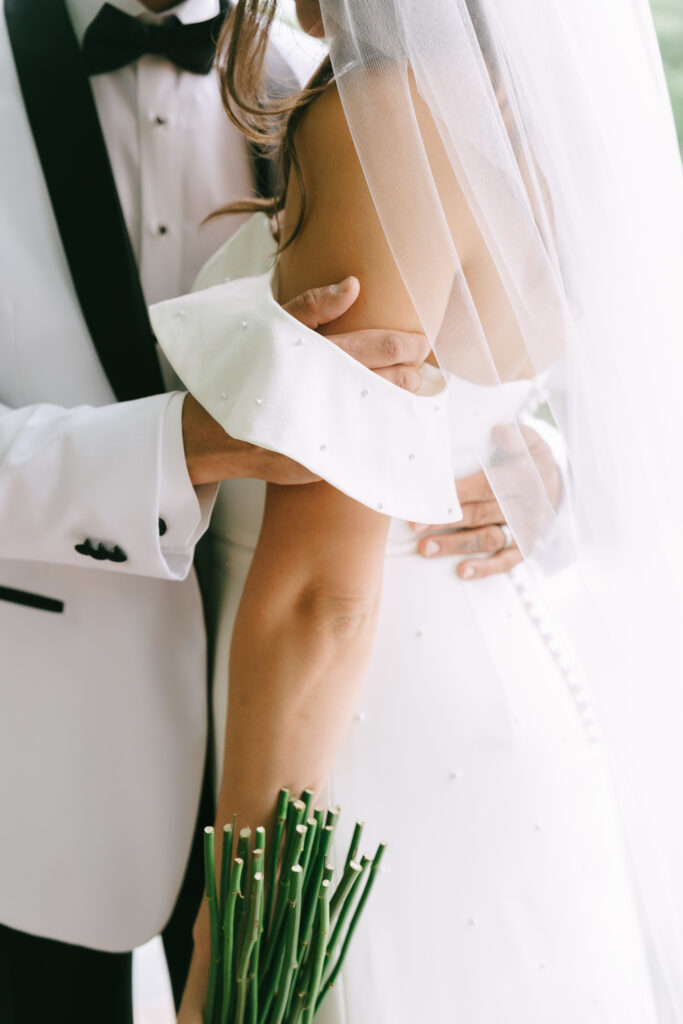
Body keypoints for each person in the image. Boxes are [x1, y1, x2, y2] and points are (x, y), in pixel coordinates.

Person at [153, 0, 683, 1021]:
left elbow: (322, 595)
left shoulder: (381, 113)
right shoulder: (506, 109)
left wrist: (241, 934)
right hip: (480, 663)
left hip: (372, 726)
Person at [0, 2, 439, 1021]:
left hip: (314, 767)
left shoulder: (335, 86)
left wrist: (528, 463)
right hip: (37, 767)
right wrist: (172, 448)